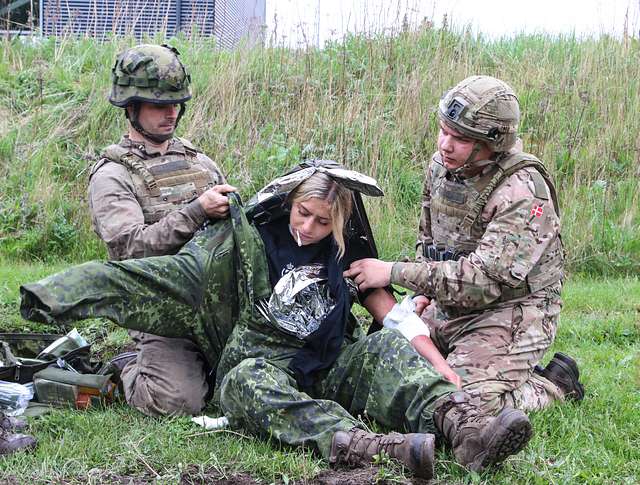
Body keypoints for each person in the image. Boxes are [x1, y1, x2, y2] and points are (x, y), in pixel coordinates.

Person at [22, 160, 533, 477]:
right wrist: (53, 293)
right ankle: (369, 447)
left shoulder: (346, 254)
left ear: (339, 222)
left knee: (381, 350)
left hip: (327, 368)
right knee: (244, 382)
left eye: (321, 221)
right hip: (261, 371)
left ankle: (464, 430)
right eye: (302, 214)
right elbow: (148, 278)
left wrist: (437, 368)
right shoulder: (244, 248)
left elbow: (390, 315)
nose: (307, 227)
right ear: (290, 204)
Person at [344, 75, 585, 458]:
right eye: (443, 131)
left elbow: (484, 283)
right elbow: (430, 241)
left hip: (510, 310)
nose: (445, 144)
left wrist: (392, 272)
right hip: (452, 302)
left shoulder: (522, 190)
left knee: (460, 405)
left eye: (460, 138)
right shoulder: (441, 167)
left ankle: (550, 385)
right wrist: (423, 295)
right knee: (391, 363)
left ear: (492, 142)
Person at [89, 43, 235, 417]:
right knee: (178, 402)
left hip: (215, 302)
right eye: (159, 105)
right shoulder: (113, 176)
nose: (170, 114)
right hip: (156, 306)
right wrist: (196, 212)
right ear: (131, 107)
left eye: (176, 104)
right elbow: (130, 250)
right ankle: (128, 366)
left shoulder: (200, 163)